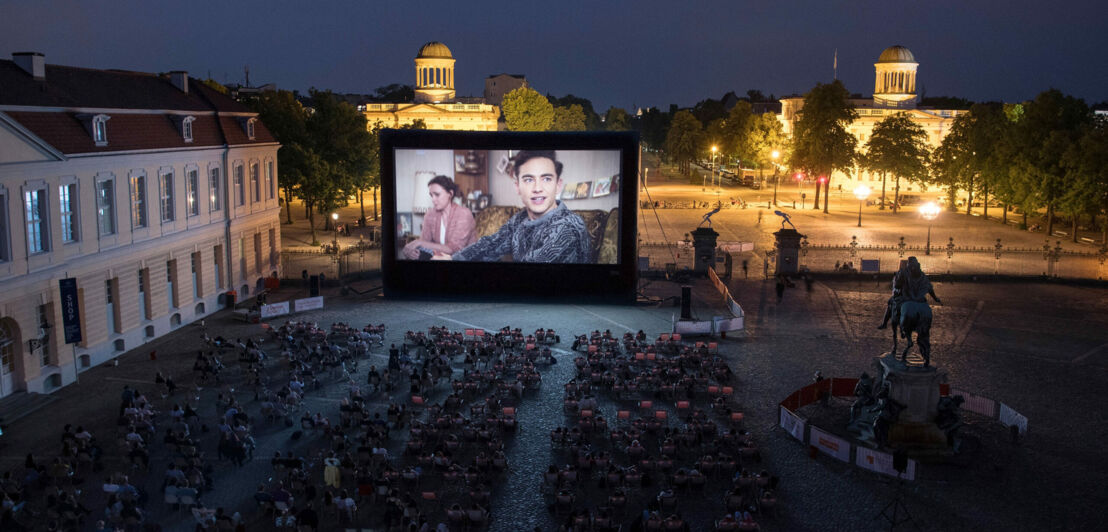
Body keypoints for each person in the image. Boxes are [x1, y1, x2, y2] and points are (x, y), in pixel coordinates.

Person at [434, 150, 590, 263]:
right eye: (529, 180)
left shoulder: (569, 227)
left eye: (546, 179)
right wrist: (453, 259)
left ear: (558, 185)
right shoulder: (520, 219)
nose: (537, 188)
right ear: (517, 187)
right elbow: (490, 244)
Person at [402, 175, 476, 260]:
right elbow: (424, 244)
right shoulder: (430, 214)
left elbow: (454, 249)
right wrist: (411, 252)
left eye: (437, 195)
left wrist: (419, 243)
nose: (433, 199)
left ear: (450, 194)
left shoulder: (464, 214)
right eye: (431, 195)